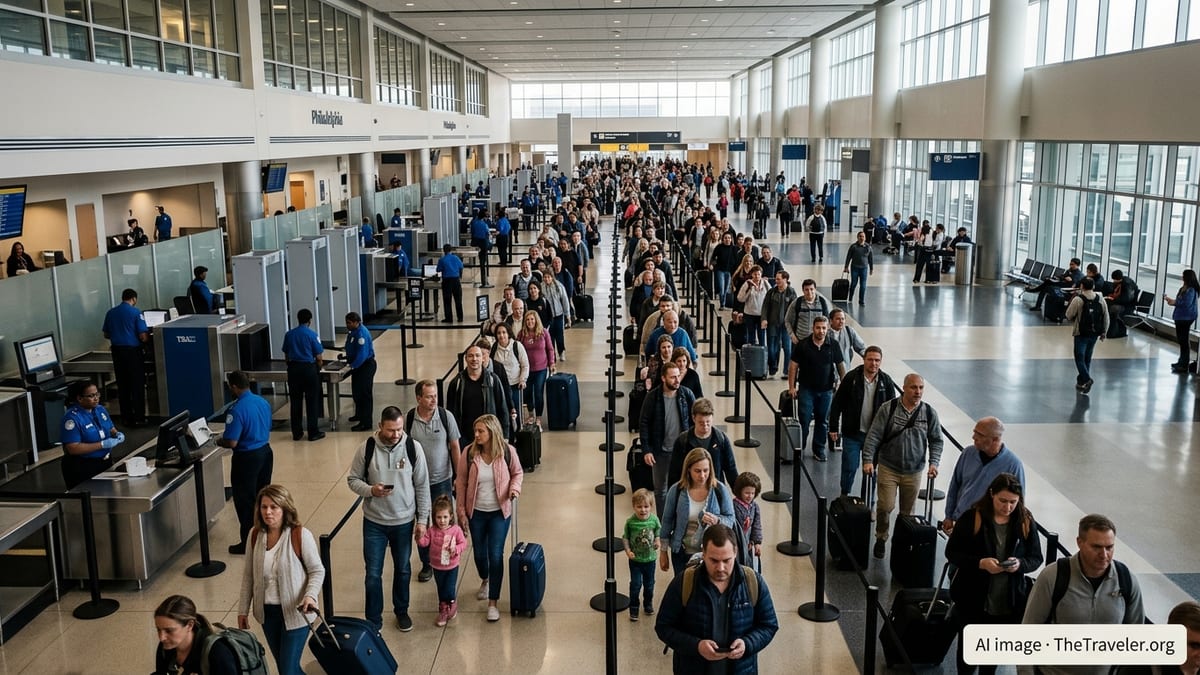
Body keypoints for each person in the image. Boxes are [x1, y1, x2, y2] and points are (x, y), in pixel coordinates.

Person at [1021, 514, 1145, 675]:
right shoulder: (1053, 577)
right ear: (1079, 542)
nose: (1104, 554)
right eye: (1096, 547)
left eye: (1109, 547)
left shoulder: (1126, 580)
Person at [945, 473, 1043, 675]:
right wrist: (980, 563)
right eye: (1003, 501)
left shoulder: (1025, 521)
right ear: (992, 494)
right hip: (973, 599)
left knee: (991, 656)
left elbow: (1036, 557)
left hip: (1007, 602)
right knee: (968, 654)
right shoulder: (973, 518)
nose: (1007, 507)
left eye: (1013, 502)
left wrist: (1020, 564)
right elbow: (952, 552)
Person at [347, 406, 431, 632]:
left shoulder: (413, 448)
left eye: (400, 429)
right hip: (374, 522)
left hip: (403, 522)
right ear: (380, 427)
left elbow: (422, 485)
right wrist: (370, 490)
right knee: (373, 574)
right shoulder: (367, 448)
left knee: (403, 569)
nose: (396, 435)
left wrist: (422, 520)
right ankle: (373, 620)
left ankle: (401, 611)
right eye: (391, 430)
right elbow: (353, 479)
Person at [655, 524, 779, 673]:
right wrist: (697, 646)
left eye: (726, 560)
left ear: (735, 553)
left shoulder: (753, 582)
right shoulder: (684, 583)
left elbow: (769, 625)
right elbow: (664, 627)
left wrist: (747, 644)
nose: (720, 568)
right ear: (704, 554)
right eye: (714, 560)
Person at [237, 484, 324, 675]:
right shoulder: (255, 535)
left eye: (274, 507)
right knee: (286, 668)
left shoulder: (300, 535)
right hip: (268, 614)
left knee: (287, 670)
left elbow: (317, 570)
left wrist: (310, 596)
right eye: (264, 507)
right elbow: (248, 576)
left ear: (285, 509)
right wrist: (243, 610)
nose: (268, 512)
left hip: (297, 614)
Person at [862, 373, 944, 559]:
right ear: (904, 388)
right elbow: (874, 435)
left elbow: (936, 440)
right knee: (885, 506)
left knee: (907, 514)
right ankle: (881, 537)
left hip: (914, 471)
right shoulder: (888, 408)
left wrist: (934, 463)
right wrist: (868, 460)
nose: (918, 392)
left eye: (921, 388)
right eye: (913, 387)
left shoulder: (929, 413)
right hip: (888, 467)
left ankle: (903, 544)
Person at [455, 414, 523, 622]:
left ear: (492, 432)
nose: (476, 435)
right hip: (476, 512)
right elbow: (461, 482)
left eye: (481, 431)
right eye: (475, 431)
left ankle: (493, 602)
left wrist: (514, 489)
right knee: (479, 555)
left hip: (499, 513)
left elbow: (517, 473)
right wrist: (461, 511)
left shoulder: (507, 452)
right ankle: (485, 579)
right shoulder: (468, 453)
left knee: (495, 554)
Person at [406, 379, 462, 584]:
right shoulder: (409, 419)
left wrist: (458, 476)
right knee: (423, 524)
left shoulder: (446, 417)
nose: (433, 400)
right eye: (429, 396)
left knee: (443, 523)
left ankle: (446, 558)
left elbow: (455, 447)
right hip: (418, 483)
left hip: (442, 480)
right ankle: (427, 563)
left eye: (435, 396)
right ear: (418, 398)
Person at [828, 345, 897, 497]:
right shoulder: (851, 378)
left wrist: (890, 435)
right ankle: (844, 496)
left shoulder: (886, 381)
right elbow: (837, 403)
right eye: (870, 360)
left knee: (871, 470)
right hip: (853, 433)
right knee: (850, 467)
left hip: (875, 437)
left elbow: (893, 410)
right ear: (864, 360)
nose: (874, 364)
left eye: (877, 360)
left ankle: (869, 502)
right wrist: (833, 427)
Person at [219, 371, 274, 555]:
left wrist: (219, 440)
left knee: (245, 501)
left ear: (234, 386)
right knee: (263, 498)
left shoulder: (236, 410)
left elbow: (232, 442)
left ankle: (249, 543)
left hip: (247, 458)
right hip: (266, 453)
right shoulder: (263, 402)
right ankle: (267, 536)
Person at [942, 417, 1026, 534]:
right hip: (961, 522)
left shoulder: (1013, 465)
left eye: (980, 435)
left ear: (995, 440)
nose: (974, 437)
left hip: (988, 530)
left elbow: (1018, 502)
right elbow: (955, 485)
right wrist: (949, 515)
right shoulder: (968, 453)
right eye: (974, 432)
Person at [659, 448, 736, 575]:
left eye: (706, 470)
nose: (702, 476)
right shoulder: (676, 490)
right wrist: (663, 552)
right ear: (688, 469)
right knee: (684, 589)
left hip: (710, 554)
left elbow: (730, 519)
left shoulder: (720, 490)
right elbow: (667, 520)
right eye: (697, 471)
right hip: (681, 552)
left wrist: (717, 520)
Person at [640, 363, 697, 514]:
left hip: (682, 451)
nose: (677, 380)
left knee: (684, 487)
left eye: (678, 376)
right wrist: (647, 450)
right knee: (660, 490)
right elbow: (644, 423)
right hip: (660, 451)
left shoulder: (687, 395)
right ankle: (663, 522)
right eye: (673, 377)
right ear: (663, 378)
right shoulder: (652, 397)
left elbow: (694, 420)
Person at [787, 315, 840, 461]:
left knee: (822, 421)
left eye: (824, 328)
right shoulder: (803, 345)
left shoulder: (833, 345)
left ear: (827, 328)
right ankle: (800, 447)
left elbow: (840, 365)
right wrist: (791, 387)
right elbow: (793, 366)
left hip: (826, 391)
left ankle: (819, 449)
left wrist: (842, 385)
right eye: (818, 328)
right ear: (813, 328)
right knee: (804, 420)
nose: (821, 331)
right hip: (806, 390)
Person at [60, 379, 125, 488]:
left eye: (97, 394)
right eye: (91, 396)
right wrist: (102, 445)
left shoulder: (100, 409)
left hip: (105, 462)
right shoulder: (71, 418)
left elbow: (110, 428)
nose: (96, 398)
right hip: (83, 466)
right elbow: (73, 448)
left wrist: (117, 434)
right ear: (80, 398)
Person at [154, 595, 239, 675]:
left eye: (169, 631)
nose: (162, 637)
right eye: (158, 629)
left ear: (190, 625)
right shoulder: (166, 647)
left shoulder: (217, 651)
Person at [416, 495, 468, 627]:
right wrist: (418, 537)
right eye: (439, 517)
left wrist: (456, 549)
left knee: (449, 588)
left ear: (451, 516)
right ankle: (443, 609)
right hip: (437, 566)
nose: (442, 521)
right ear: (434, 517)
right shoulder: (432, 531)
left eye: (445, 517)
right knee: (441, 587)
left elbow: (464, 543)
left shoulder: (456, 530)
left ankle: (452, 602)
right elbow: (424, 542)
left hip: (452, 566)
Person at [101, 288, 148, 427]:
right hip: (133, 352)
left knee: (123, 385)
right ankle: (139, 417)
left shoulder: (110, 313)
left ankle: (126, 417)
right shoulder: (136, 312)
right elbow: (143, 336)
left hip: (117, 352)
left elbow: (106, 334)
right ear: (134, 299)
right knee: (137, 384)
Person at [446, 344, 512, 441]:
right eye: (470, 356)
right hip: (464, 438)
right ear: (465, 359)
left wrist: (505, 436)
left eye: (477, 355)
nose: (474, 359)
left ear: (483, 359)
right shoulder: (456, 383)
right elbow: (450, 413)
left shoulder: (493, 380)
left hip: (489, 436)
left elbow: (502, 409)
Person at [668, 398, 737, 488]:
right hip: (690, 489)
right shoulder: (683, 441)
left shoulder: (721, 439)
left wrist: (738, 492)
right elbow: (674, 472)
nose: (705, 426)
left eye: (708, 422)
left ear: (712, 417)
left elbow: (730, 468)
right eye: (701, 423)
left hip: (714, 489)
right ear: (693, 418)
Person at [281, 308, 324, 442]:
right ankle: (313, 432)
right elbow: (319, 356)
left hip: (294, 370)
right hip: (308, 369)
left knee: (295, 401)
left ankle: (297, 432)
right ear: (310, 320)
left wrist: (291, 366)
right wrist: (318, 368)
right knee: (312, 401)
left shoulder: (289, 335)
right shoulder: (312, 335)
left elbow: (286, 355)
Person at [623, 488, 662, 622]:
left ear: (651, 507)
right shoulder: (630, 522)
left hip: (650, 560)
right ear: (634, 507)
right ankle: (634, 607)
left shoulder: (654, 520)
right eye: (639, 507)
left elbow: (658, 532)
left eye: (646, 506)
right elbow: (625, 538)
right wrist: (628, 551)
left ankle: (648, 603)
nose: (643, 510)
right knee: (635, 584)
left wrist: (657, 541)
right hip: (635, 561)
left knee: (649, 584)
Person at [1066, 277, 1109, 394]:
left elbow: (1069, 315)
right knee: (1087, 358)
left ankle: (1086, 379)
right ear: (1093, 286)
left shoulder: (1078, 299)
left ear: (1081, 286)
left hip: (1081, 332)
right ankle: (1082, 382)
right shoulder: (1100, 299)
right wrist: (1104, 331)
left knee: (1079, 357)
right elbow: (1106, 316)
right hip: (1094, 333)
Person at [516, 310, 555, 430]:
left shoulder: (543, 333)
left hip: (541, 368)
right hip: (527, 369)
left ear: (536, 320)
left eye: (532, 319)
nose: (530, 322)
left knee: (538, 392)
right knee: (527, 393)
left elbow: (550, 349)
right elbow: (517, 350)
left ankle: (538, 418)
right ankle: (531, 414)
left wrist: (552, 363)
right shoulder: (521, 334)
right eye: (527, 320)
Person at [342, 312, 376, 432]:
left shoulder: (361, 334)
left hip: (365, 366)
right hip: (357, 366)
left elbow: (362, 354)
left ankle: (366, 422)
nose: (347, 325)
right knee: (356, 392)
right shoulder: (352, 332)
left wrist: (352, 366)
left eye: (349, 323)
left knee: (364, 394)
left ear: (357, 322)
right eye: (347, 322)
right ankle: (359, 414)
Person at [762, 270, 798, 378]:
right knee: (772, 348)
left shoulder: (791, 292)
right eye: (776, 279)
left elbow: (795, 309)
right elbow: (765, 306)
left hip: (786, 326)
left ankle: (787, 371)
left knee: (787, 348)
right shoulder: (772, 292)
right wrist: (764, 319)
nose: (776, 281)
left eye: (778, 279)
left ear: (785, 279)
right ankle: (772, 368)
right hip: (773, 324)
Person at [491, 323, 529, 425]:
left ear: (508, 333)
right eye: (499, 333)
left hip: (515, 385)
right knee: (503, 412)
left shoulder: (517, 346)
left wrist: (522, 379)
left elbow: (525, 365)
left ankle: (519, 433)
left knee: (516, 412)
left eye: (504, 332)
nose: (501, 335)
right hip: (500, 386)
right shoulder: (494, 348)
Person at [1164, 269, 1200, 373]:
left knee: (1183, 340)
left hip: (1185, 317)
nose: (1182, 277)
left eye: (1183, 275)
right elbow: (1181, 301)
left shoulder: (1191, 290)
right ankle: (1181, 361)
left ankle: (1184, 364)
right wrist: (1173, 301)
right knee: (1182, 340)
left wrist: (1175, 302)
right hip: (1181, 316)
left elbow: (1186, 303)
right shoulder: (1184, 288)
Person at [784, 278, 830, 345]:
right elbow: (787, 320)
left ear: (815, 289)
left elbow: (827, 321)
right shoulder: (797, 303)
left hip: (817, 342)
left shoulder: (822, 302)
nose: (809, 292)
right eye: (806, 290)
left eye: (811, 289)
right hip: (800, 341)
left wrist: (824, 337)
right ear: (803, 290)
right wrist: (792, 336)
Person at [732, 472, 764, 564]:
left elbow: (756, 526)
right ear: (739, 491)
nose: (750, 496)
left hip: (748, 543)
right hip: (736, 542)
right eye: (746, 493)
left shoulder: (755, 507)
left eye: (752, 493)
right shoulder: (733, 506)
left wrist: (757, 542)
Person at [827, 308, 866, 378]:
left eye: (843, 319)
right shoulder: (825, 334)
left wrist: (867, 357)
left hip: (845, 372)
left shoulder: (849, 331)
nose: (841, 321)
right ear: (831, 321)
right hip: (829, 375)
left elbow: (861, 348)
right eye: (838, 319)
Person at [737, 265, 768, 347]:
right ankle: (751, 355)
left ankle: (762, 355)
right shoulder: (747, 284)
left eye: (758, 274)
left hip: (761, 314)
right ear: (752, 275)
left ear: (761, 274)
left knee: (762, 336)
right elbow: (740, 298)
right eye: (755, 274)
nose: (757, 276)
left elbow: (770, 295)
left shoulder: (765, 283)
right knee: (751, 336)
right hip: (749, 314)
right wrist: (749, 289)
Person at [843, 230, 874, 306]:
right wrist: (846, 267)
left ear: (865, 238)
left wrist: (871, 268)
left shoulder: (868, 247)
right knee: (853, 283)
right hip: (855, 268)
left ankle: (861, 300)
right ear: (857, 237)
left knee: (863, 285)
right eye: (860, 236)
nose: (861, 238)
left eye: (863, 236)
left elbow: (871, 258)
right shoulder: (853, 247)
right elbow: (848, 257)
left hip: (864, 269)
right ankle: (850, 297)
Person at [437, 244, 465, 323]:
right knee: (458, 300)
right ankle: (460, 318)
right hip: (456, 280)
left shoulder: (442, 260)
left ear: (444, 250)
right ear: (451, 250)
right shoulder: (456, 258)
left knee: (447, 300)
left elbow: (438, 269)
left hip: (447, 281)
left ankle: (449, 318)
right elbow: (461, 266)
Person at [470, 208, 492, 282]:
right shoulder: (484, 224)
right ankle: (484, 280)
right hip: (483, 244)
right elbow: (487, 234)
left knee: (482, 261)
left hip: (475, 243)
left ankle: (484, 279)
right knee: (483, 262)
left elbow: (472, 232)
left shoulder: (474, 222)